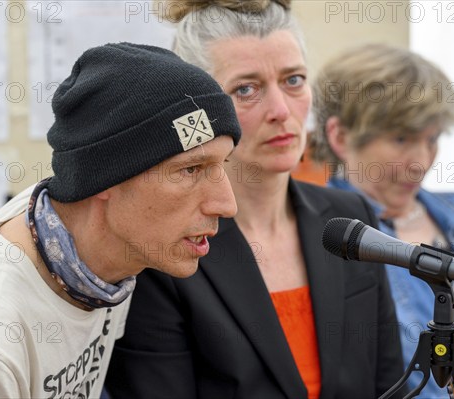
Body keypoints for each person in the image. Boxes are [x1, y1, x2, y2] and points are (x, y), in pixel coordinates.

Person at [105, 2, 405, 398]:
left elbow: (390, 384)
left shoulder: (351, 217)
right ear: (198, 108)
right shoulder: (162, 251)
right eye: (246, 89)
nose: (281, 111)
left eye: (294, 80)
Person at [0, 42, 243, 398]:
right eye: (190, 169)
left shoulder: (100, 256)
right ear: (104, 178)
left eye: (222, 164)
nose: (226, 204)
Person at [310, 43, 454, 398]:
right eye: (401, 139)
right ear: (341, 137)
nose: (421, 161)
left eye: (433, 139)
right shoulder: (329, 242)